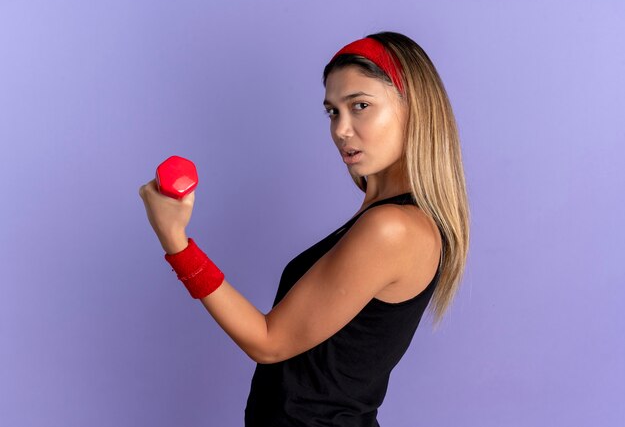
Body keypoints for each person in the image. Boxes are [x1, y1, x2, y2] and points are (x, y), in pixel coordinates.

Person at [139, 30, 470, 426]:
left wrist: (175, 242)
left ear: (414, 108)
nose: (341, 129)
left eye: (360, 105)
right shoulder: (380, 217)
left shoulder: (394, 228)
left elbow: (269, 342)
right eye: (333, 111)